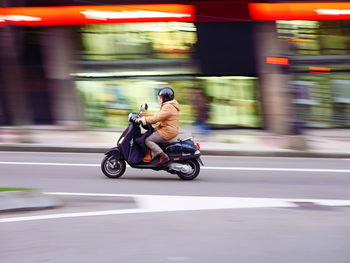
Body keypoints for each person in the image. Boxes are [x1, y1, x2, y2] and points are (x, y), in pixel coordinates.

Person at [136, 87, 180, 165]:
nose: (159, 99)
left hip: (167, 131)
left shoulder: (168, 107)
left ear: (165, 98)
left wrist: (143, 120)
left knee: (148, 140)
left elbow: (157, 118)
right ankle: (151, 155)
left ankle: (163, 156)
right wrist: (144, 115)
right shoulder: (168, 105)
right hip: (167, 129)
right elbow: (159, 116)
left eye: (160, 97)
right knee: (149, 134)